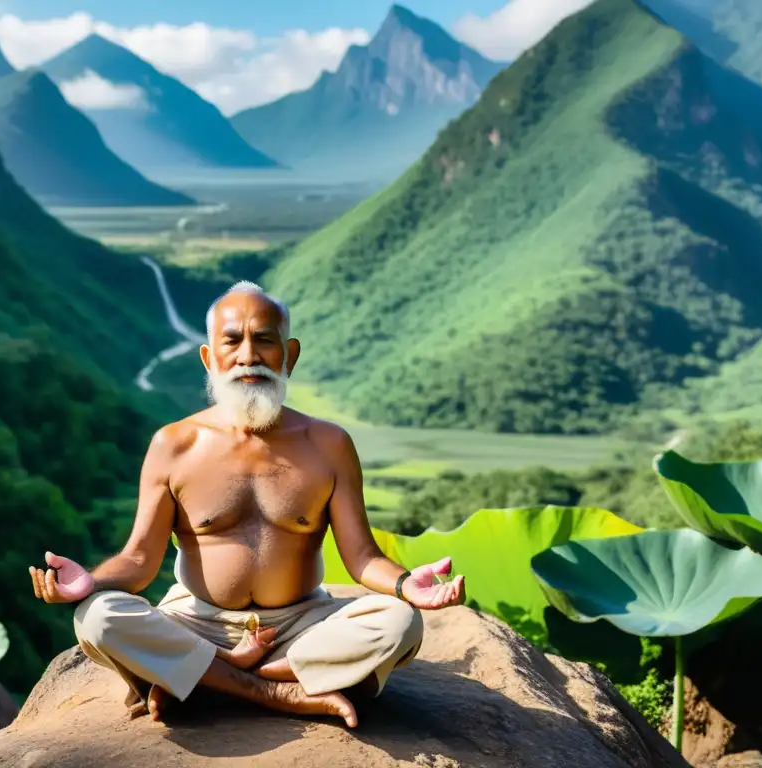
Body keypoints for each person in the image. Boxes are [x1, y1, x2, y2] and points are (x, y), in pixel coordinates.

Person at [29, 281, 466, 728]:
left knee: (400, 622)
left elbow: (362, 557)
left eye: (265, 341)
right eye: (232, 341)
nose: (248, 355)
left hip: (300, 623)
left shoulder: (329, 444)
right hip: (197, 621)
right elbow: (139, 560)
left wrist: (407, 584)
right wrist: (90, 582)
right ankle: (275, 690)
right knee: (97, 616)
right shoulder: (174, 444)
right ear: (208, 358)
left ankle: (209, 678)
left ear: (289, 355)